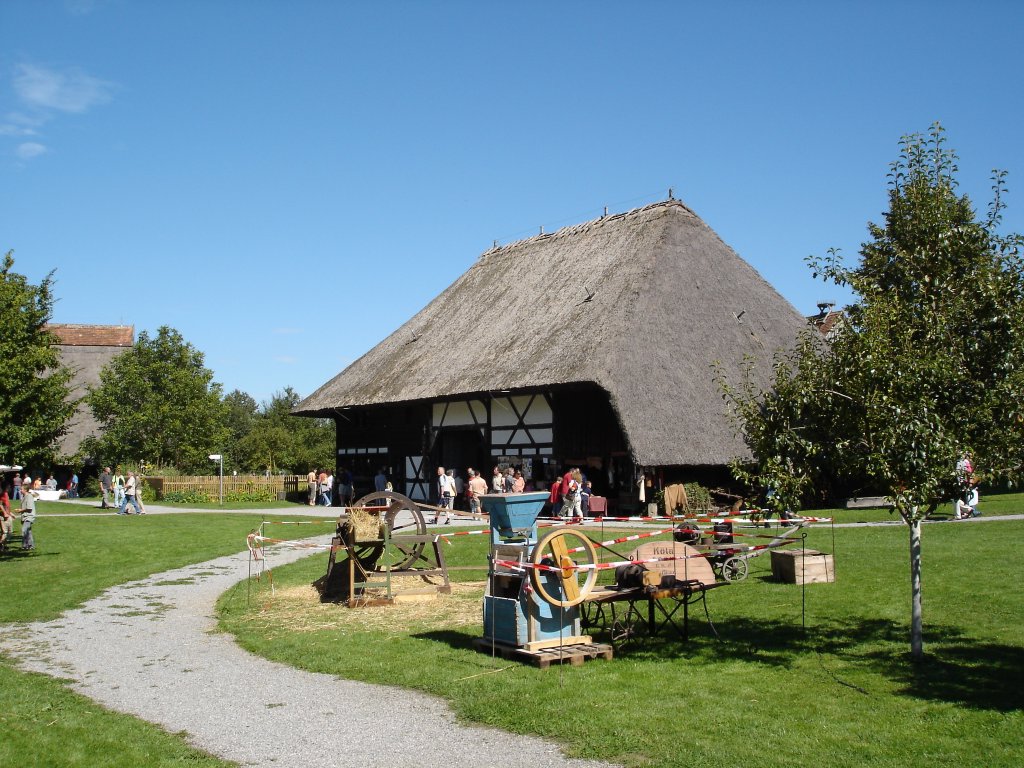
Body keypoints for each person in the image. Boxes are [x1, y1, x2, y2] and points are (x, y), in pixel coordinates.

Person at [20, 482, 39, 550]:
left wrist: (20, 510)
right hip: (25, 516)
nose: (20, 490)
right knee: (28, 531)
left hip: (29, 516)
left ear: (25, 490)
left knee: (24, 530)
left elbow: (29, 508)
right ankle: (31, 545)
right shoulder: (24, 496)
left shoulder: (29, 496)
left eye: (21, 489)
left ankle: (25, 545)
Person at [1, 483, 12, 552]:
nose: (10, 488)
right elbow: (0, 504)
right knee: (5, 532)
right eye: (9, 486)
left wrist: (11, 513)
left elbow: (7, 506)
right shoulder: (3, 494)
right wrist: (5, 513)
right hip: (4, 516)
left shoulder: (6, 494)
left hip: (8, 515)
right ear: (6, 487)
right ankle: (1, 545)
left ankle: (4, 545)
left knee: (9, 532)